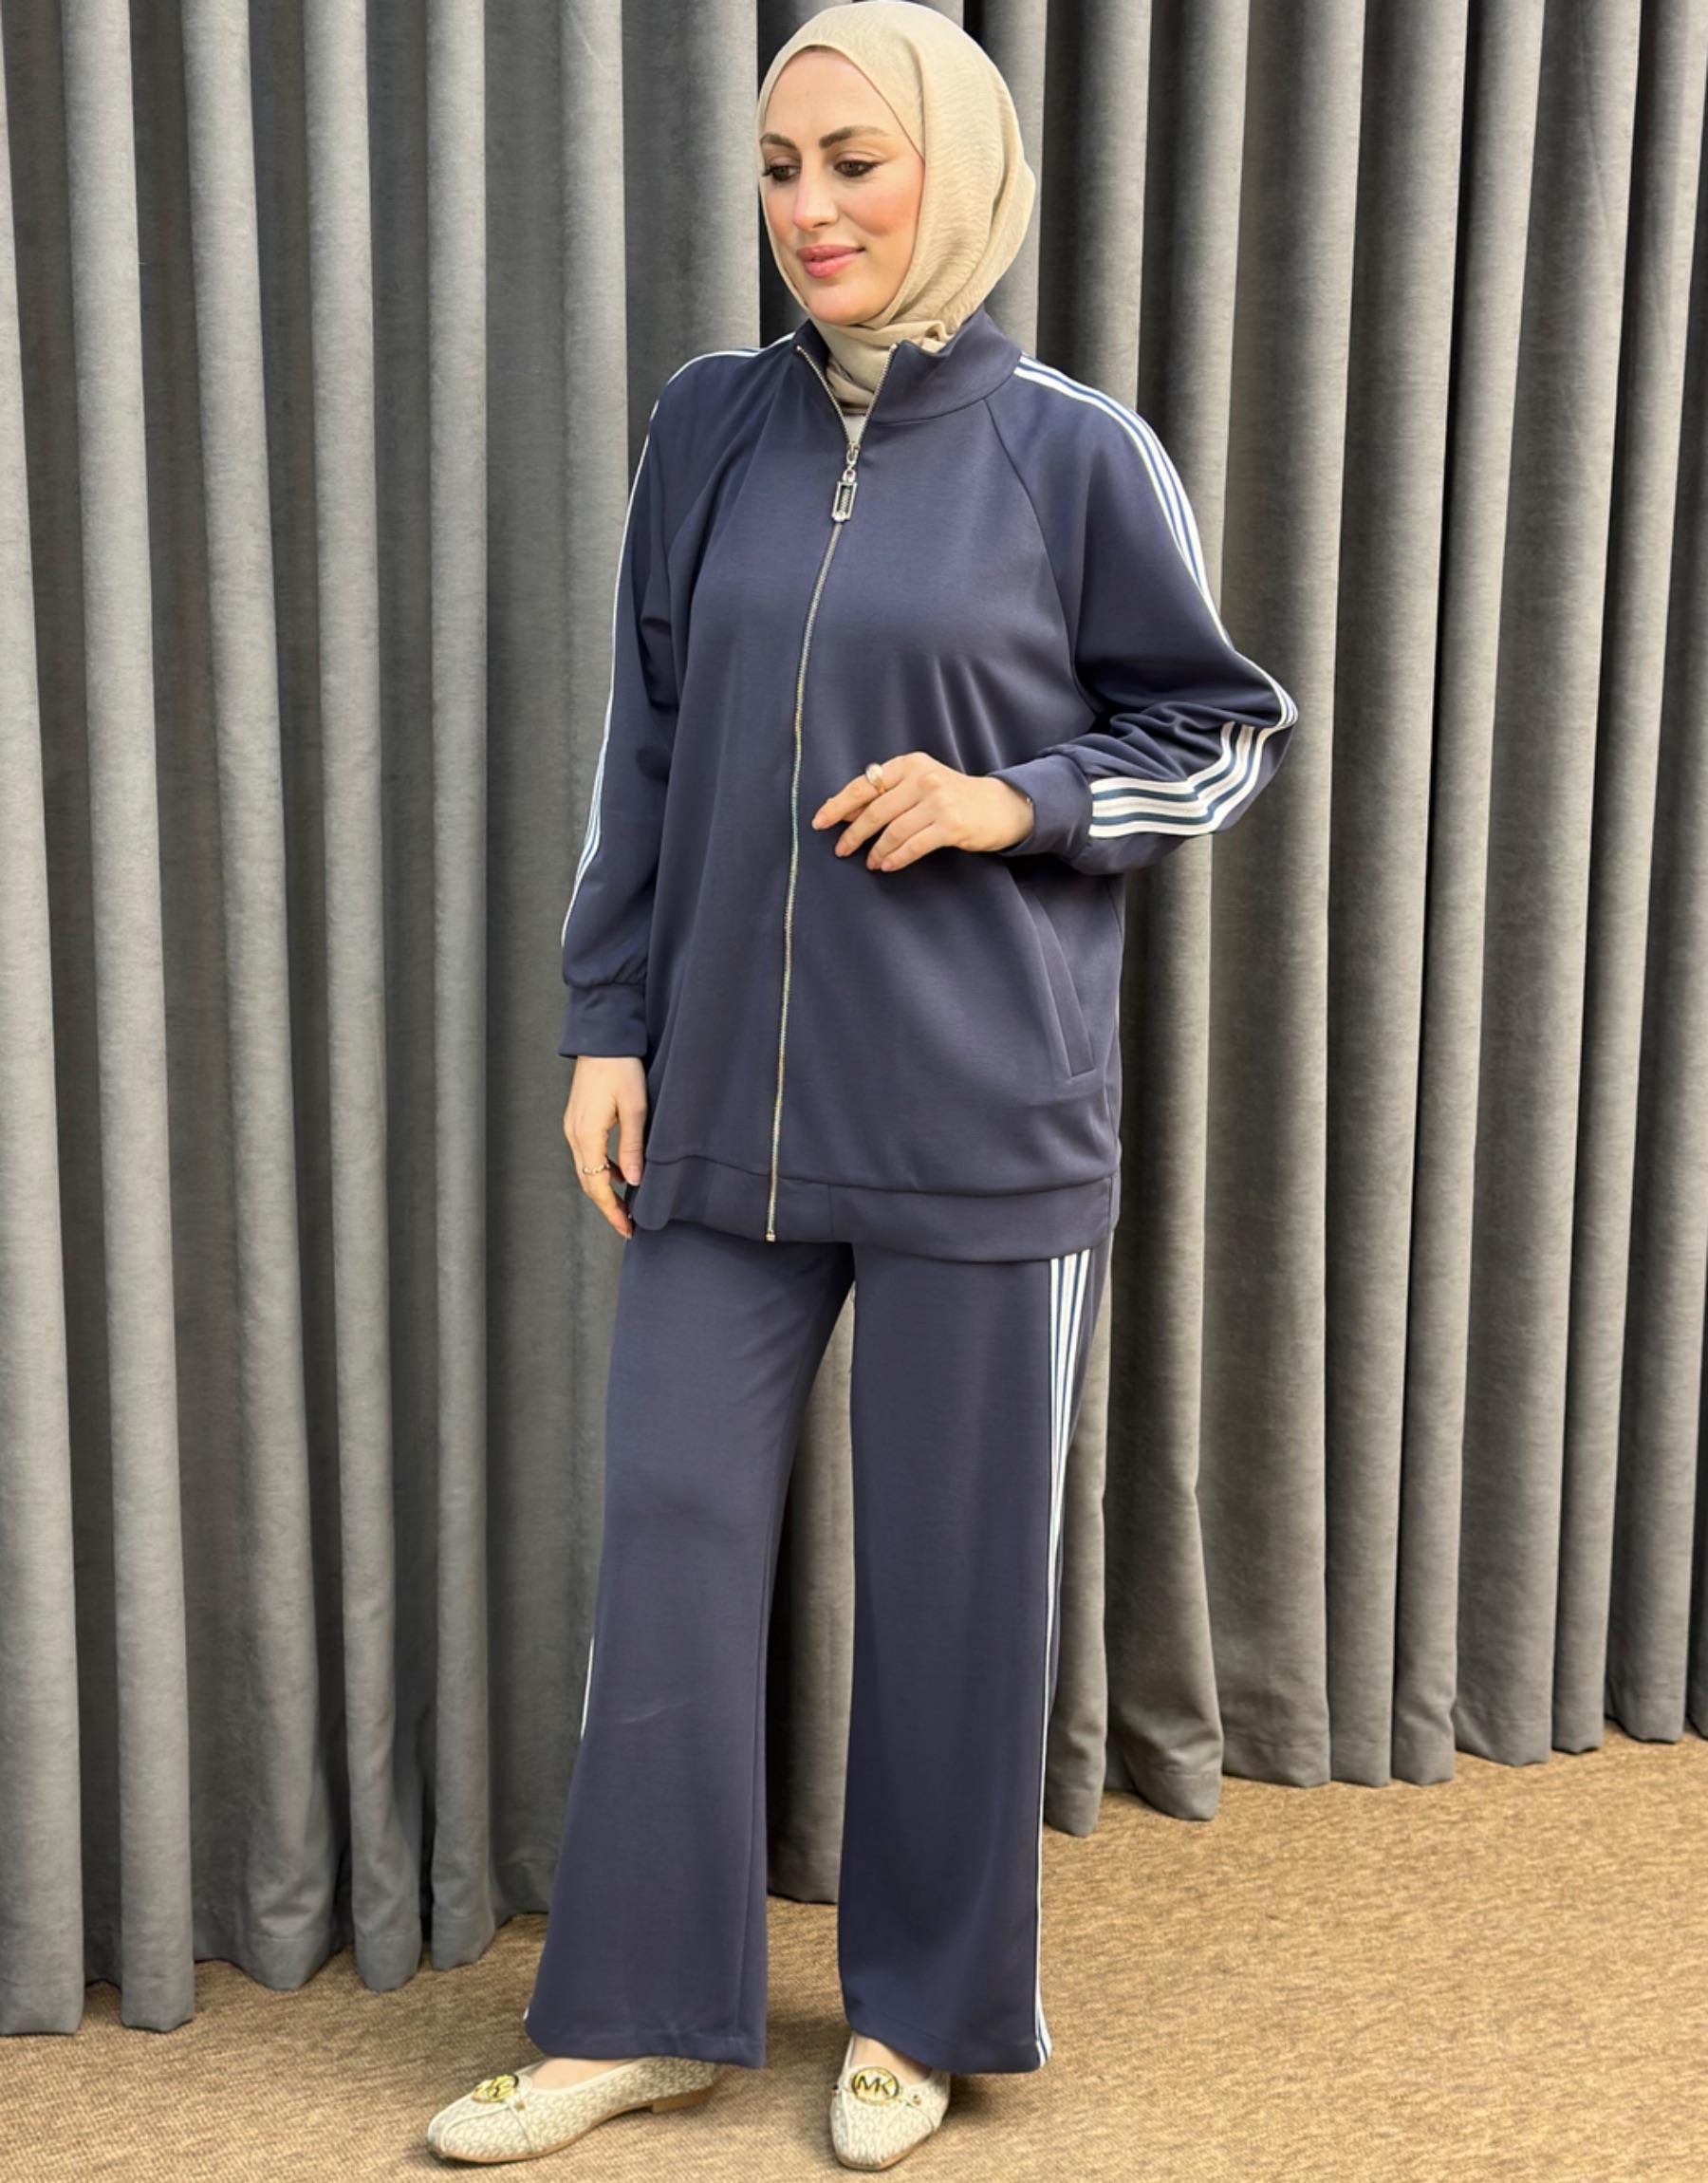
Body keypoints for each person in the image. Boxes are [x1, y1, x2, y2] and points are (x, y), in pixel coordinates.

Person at [427, 3, 1295, 2170]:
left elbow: (1219, 734)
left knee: (958, 1576)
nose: (809, 208)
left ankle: (923, 2009)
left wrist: (1017, 802)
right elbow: (640, 743)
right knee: (672, 1529)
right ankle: (636, 2013)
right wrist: (606, 1021)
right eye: (780, 166)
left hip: (982, 1118)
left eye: (855, 162)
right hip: (723, 1099)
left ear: (956, 171)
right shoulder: (708, 427)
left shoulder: (1073, 452)